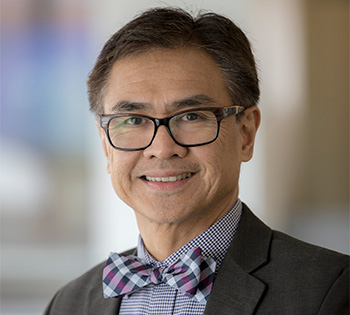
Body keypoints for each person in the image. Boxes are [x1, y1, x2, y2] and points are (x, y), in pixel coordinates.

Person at [45, 7, 349, 314]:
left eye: (191, 116)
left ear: (245, 134)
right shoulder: (67, 304)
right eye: (134, 120)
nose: (162, 148)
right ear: (106, 146)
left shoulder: (330, 291)